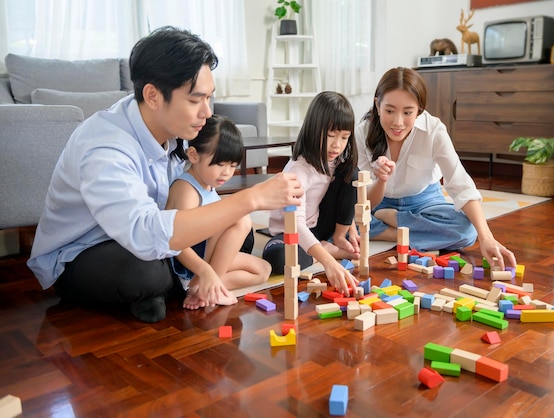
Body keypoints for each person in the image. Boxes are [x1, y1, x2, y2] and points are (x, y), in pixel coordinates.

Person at [27, 26, 302, 323]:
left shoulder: (176, 130)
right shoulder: (105, 146)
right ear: (153, 96)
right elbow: (144, 233)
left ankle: (177, 288)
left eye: (209, 98)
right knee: (145, 272)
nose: (207, 112)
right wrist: (251, 199)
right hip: (88, 250)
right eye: (195, 100)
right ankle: (167, 288)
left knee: (239, 233)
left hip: (155, 235)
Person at [355, 67, 516, 270]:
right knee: (339, 222)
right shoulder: (363, 132)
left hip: (424, 202)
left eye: (407, 112)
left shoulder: (434, 130)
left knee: (467, 231)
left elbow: (461, 184)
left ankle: (390, 223)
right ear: (377, 105)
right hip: (379, 203)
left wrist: (487, 238)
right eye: (389, 111)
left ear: (419, 110)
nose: (398, 122)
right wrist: (381, 180)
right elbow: (367, 201)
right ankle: (394, 234)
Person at [166, 115, 271, 309]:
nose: (226, 173)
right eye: (220, 164)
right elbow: (176, 244)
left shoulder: (208, 184)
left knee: (263, 270)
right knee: (241, 220)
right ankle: (201, 284)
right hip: (190, 265)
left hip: (207, 258)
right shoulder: (186, 190)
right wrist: (204, 270)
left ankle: (204, 290)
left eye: (232, 166)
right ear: (194, 155)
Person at [262, 91, 360, 295]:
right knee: (279, 259)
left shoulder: (336, 160)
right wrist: (327, 260)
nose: (337, 145)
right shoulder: (299, 170)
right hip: (289, 232)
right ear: (314, 130)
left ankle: (335, 240)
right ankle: (324, 249)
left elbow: (343, 195)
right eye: (331, 136)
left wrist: (350, 227)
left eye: (344, 137)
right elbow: (295, 224)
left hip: (318, 226)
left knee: (353, 173)